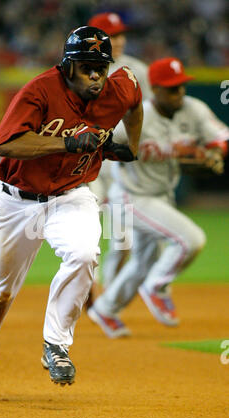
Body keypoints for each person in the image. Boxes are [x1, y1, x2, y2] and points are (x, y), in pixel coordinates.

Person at [0, 26, 143, 402]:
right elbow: (7, 144)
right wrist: (68, 142)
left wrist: (132, 146)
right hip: (17, 203)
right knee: (0, 289)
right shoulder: (40, 90)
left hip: (71, 196)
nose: (96, 75)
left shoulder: (118, 87)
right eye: (87, 66)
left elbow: (135, 97)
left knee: (85, 253)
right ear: (68, 66)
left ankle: (56, 344)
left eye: (101, 67)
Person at [87, 57, 229, 338]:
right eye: (172, 88)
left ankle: (105, 308)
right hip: (130, 197)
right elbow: (99, 144)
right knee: (191, 239)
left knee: (143, 261)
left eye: (181, 87)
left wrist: (215, 153)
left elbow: (220, 137)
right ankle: (157, 286)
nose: (179, 93)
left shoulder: (193, 110)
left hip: (162, 197)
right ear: (156, 89)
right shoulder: (138, 116)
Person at [86, 12, 152, 300]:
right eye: (111, 35)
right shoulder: (80, 69)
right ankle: (86, 281)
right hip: (88, 159)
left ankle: (108, 298)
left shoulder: (139, 70)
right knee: (87, 224)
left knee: (121, 236)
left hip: (119, 162)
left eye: (121, 34)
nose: (119, 40)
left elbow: (146, 114)